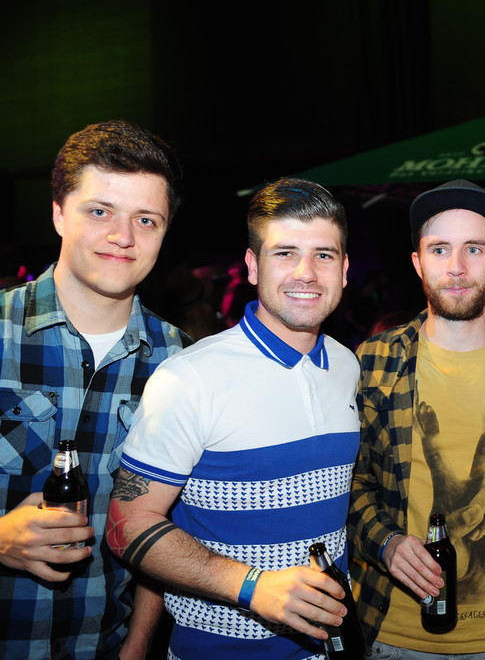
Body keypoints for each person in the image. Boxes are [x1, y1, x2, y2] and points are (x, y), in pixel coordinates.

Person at [0, 120, 190, 659]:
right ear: (58, 214)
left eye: (146, 219)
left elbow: (168, 524)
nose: (124, 236)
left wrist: (138, 644)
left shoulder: (182, 364)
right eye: (100, 211)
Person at [106, 178, 359, 659]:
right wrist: (251, 586)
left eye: (323, 255)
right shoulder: (189, 378)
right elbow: (127, 524)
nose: (306, 273)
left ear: (344, 270)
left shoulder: (347, 366)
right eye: (285, 253)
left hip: (330, 647)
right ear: (252, 266)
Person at [349, 179, 485, 657]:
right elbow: (350, 482)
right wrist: (385, 543)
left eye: (474, 249)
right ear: (418, 262)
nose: (457, 267)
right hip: (394, 636)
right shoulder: (374, 360)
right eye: (440, 249)